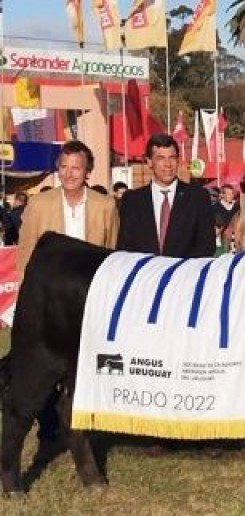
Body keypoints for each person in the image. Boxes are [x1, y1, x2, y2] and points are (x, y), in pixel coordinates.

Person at [15, 140, 120, 462]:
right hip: (49, 302)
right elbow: (25, 254)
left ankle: (85, 431)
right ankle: (48, 433)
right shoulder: (39, 205)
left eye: (76, 168)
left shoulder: (106, 206)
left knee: (83, 369)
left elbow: (112, 253)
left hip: (88, 301)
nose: (69, 174)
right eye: (64, 167)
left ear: (87, 171)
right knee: (47, 367)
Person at [116, 133, 216, 258]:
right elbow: (124, 248)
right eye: (161, 158)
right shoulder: (132, 201)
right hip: (145, 274)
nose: (168, 164)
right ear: (149, 162)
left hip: (184, 274)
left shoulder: (198, 198)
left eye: (172, 158)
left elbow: (206, 246)